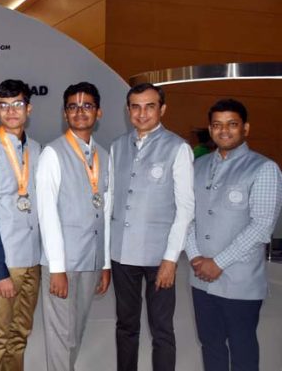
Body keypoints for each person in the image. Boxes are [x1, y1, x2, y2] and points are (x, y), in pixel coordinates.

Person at [185, 99, 282, 371]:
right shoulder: (198, 166)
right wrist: (195, 258)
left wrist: (218, 262)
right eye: (217, 124)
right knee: (210, 344)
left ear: (245, 128)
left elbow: (261, 226)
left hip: (240, 281)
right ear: (210, 128)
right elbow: (187, 218)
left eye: (232, 124)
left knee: (242, 347)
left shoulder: (263, 169)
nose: (223, 130)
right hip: (201, 280)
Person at [109, 82, 194, 371]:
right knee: (126, 326)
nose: (142, 113)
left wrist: (171, 259)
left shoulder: (177, 147)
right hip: (121, 254)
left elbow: (185, 209)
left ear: (162, 109)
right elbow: (111, 202)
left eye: (150, 106)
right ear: (128, 110)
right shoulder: (117, 147)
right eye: (136, 106)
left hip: (159, 257)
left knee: (161, 330)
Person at [37, 82, 112, 371]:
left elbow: (106, 211)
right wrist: (56, 268)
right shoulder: (53, 154)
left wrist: (104, 263)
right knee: (60, 335)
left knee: (76, 331)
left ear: (99, 112)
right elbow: (46, 214)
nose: (80, 112)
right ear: (65, 113)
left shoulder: (104, 156)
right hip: (64, 262)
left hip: (91, 259)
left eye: (87, 106)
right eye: (73, 106)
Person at [0, 79, 42, 371]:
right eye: (4, 106)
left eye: (17, 104)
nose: (11, 111)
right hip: (4, 262)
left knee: (20, 335)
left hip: (33, 259)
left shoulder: (39, 150)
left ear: (29, 108)